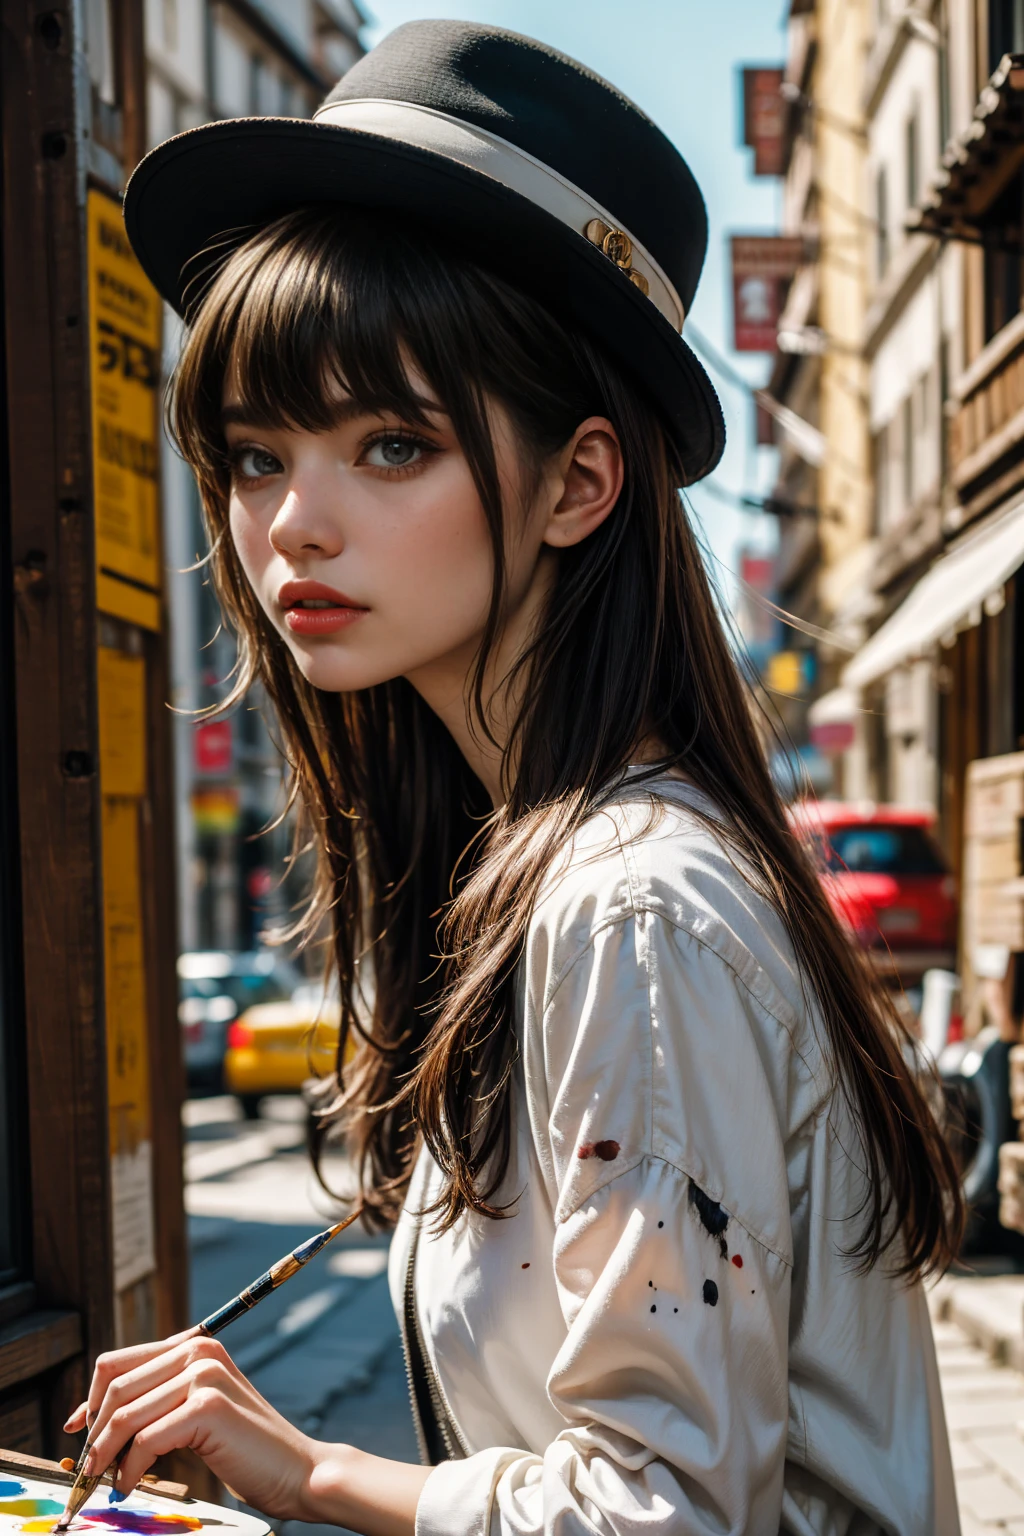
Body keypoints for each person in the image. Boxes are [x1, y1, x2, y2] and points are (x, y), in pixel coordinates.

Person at [65, 22, 964, 1536]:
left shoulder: (630, 909)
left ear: (579, 482)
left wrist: (309, 1471)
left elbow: (661, 1512)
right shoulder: (545, 874)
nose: (292, 522)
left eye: (392, 445)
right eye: (257, 452)